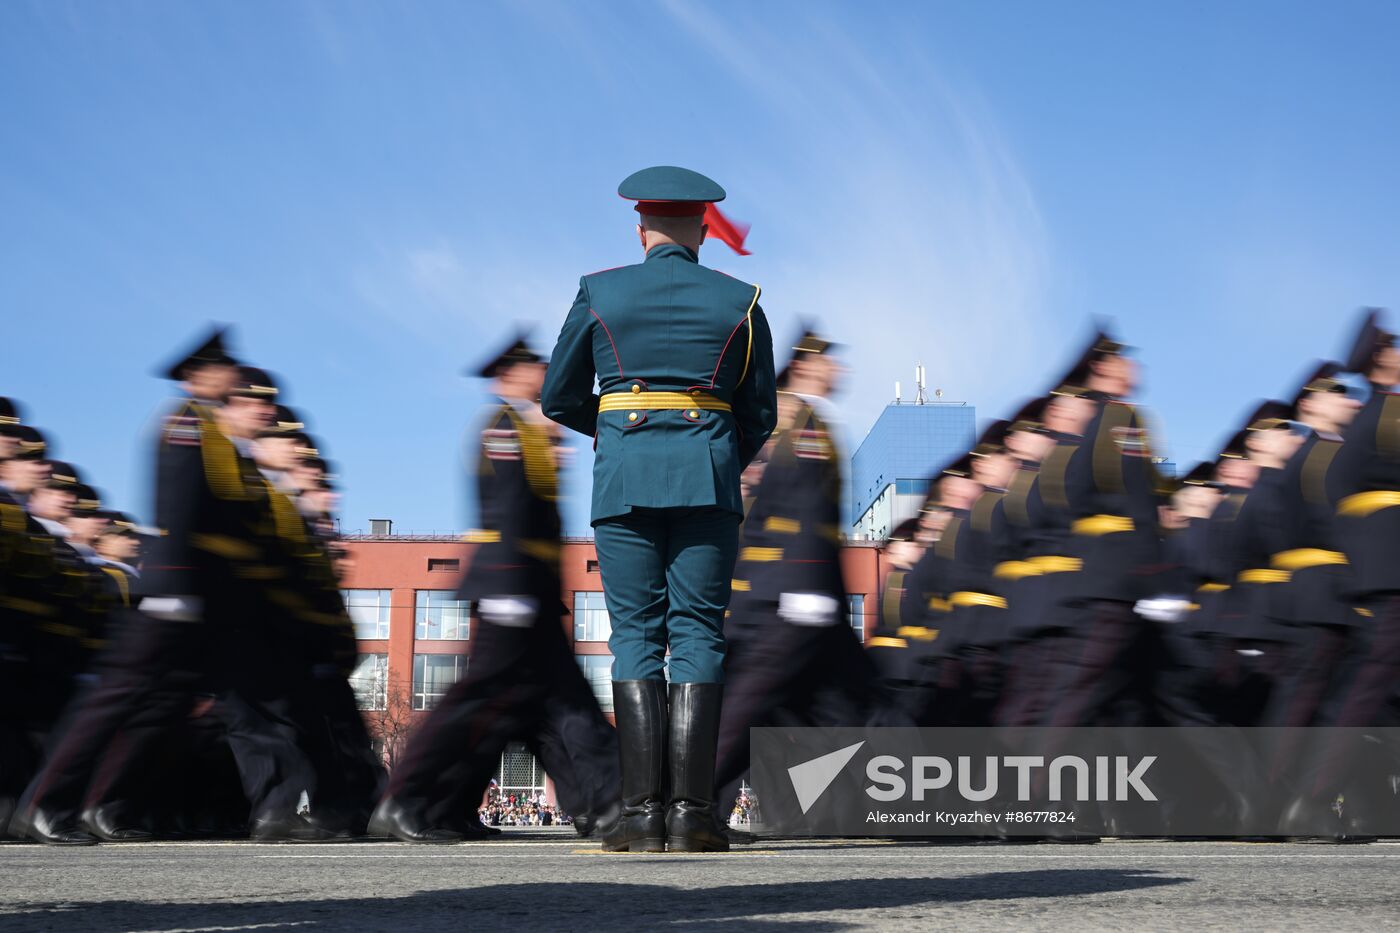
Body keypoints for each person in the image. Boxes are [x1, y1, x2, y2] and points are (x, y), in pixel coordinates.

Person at [540, 166, 777, 853]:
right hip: (708, 478)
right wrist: (716, 450)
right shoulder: (743, 300)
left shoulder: (598, 292)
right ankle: (694, 816)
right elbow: (760, 411)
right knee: (699, 635)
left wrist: (622, 431)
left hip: (624, 478)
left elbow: (559, 395)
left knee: (635, 635)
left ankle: (641, 817)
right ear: (703, 230)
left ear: (639, 228)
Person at [372, 333, 621, 843]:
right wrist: (512, 592)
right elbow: (507, 513)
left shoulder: (534, 430)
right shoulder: (505, 428)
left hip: (529, 593)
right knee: (475, 703)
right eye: (537, 368)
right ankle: (405, 801)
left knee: (556, 706)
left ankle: (604, 803)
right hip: (511, 590)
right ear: (511, 375)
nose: (545, 375)